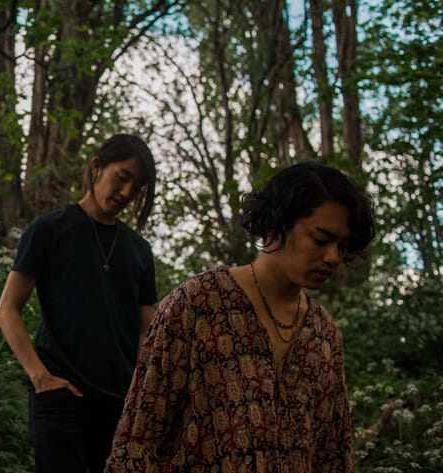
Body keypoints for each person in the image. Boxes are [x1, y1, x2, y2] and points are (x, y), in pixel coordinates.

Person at [106, 161, 375, 473]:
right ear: (276, 224)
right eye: (320, 239)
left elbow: (334, 456)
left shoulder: (324, 334)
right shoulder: (197, 304)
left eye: (342, 246)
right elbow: (138, 441)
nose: (333, 257)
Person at [0, 134, 158, 473]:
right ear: (97, 167)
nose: (126, 193)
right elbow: (7, 310)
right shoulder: (49, 230)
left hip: (119, 406)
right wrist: (40, 377)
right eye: (122, 177)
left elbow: (149, 333)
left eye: (136, 187)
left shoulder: (139, 251)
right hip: (59, 396)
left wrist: (142, 396)